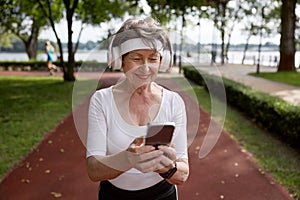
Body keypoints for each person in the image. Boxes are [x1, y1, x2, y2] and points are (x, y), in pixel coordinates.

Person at [86, 17, 189, 200]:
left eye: (153, 58)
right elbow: (94, 170)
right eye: (137, 58)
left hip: (162, 195)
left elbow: (182, 174)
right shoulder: (101, 100)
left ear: (162, 62)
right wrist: (128, 159)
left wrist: (168, 168)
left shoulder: (174, 102)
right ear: (120, 61)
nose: (146, 68)